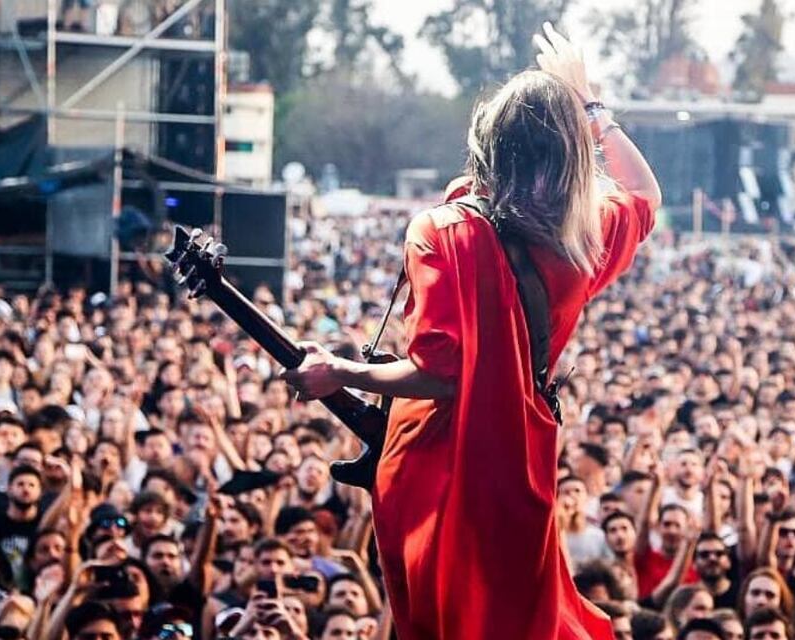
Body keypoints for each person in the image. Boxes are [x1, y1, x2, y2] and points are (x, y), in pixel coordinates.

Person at [281, 22, 660, 639]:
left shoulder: (444, 231)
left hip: (439, 459)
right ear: (570, 152)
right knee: (517, 615)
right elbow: (646, 191)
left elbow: (438, 372)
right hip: (522, 455)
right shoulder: (583, 238)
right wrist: (592, 106)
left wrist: (341, 371)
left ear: (486, 139)